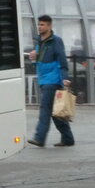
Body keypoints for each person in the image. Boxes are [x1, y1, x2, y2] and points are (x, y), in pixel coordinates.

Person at [27, 14, 74, 147]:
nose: (40, 27)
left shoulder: (56, 41)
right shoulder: (39, 42)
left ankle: (39, 138)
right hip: (43, 79)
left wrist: (65, 77)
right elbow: (38, 61)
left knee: (45, 109)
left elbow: (62, 59)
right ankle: (68, 138)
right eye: (39, 24)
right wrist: (34, 57)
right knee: (55, 112)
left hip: (52, 80)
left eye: (42, 24)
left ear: (49, 26)